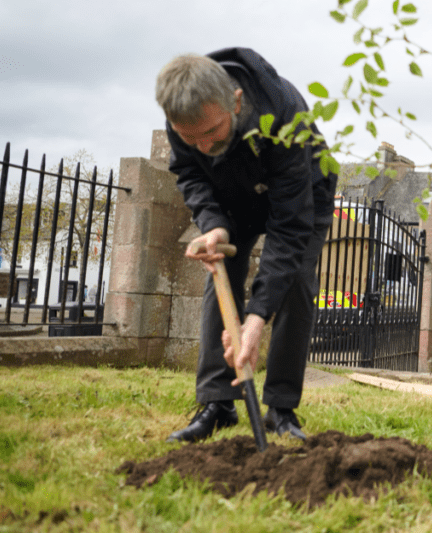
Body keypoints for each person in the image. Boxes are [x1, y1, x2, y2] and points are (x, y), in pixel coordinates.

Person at [156, 48, 337, 443]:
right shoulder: (183, 113)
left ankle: (281, 409)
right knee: (219, 271)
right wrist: (214, 226)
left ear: (235, 102)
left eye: (211, 133)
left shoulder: (285, 114)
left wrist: (255, 320)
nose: (202, 145)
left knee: (296, 284)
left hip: (304, 192)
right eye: (191, 138)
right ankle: (218, 403)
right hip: (232, 194)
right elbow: (188, 170)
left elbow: (290, 228)